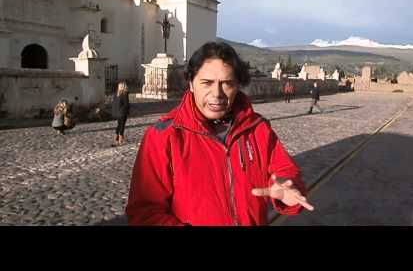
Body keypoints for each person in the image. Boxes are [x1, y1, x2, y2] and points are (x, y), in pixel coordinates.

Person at [126, 42, 313, 226]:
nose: (217, 93)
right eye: (207, 83)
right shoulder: (164, 136)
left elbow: (286, 171)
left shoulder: (258, 128)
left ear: (238, 85)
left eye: (227, 84)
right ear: (191, 83)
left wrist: (290, 187)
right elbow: (145, 211)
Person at [112, 81, 130, 146]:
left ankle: (116, 137)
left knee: (119, 125)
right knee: (122, 125)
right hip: (123, 113)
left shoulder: (116, 94)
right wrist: (128, 110)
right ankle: (120, 139)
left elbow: (114, 104)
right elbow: (126, 104)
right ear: (124, 86)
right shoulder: (124, 94)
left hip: (117, 113)